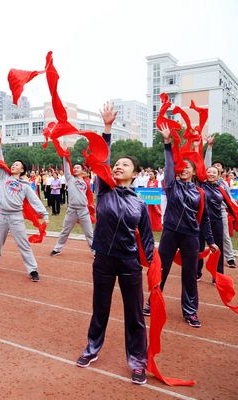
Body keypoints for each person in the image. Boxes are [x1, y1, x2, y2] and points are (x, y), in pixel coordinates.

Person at [76, 102, 153, 386]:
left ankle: (138, 361)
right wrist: (106, 129)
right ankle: (92, 348)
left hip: (130, 263)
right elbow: (102, 159)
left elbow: (147, 239)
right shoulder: (104, 188)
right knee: (100, 309)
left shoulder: (139, 204)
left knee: (134, 316)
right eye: (117, 164)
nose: (119, 166)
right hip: (103, 261)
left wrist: (152, 267)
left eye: (125, 165)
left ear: (135, 173)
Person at [144, 123, 218, 327]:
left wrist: (210, 240)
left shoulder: (200, 192)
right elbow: (169, 166)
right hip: (170, 233)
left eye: (188, 167)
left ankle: (190, 311)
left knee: (190, 275)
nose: (184, 168)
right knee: (161, 269)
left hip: (191, 236)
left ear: (194, 171)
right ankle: (152, 302)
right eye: (181, 166)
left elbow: (205, 219)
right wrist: (167, 142)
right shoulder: (171, 185)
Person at [0, 139, 49, 282]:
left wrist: (44, 214)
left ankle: (32, 269)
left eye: (17, 165)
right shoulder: (4, 176)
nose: (13, 165)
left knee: (23, 244)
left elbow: (35, 200)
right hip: (2, 216)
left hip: (16, 217)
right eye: (13, 164)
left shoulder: (25, 185)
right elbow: (0, 160)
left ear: (22, 170)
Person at [50, 148, 94, 256]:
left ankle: (95, 251)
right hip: (72, 210)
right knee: (65, 231)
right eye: (74, 167)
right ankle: (57, 249)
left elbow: (89, 196)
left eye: (77, 167)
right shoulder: (70, 179)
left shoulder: (86, 182)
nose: (75, 169)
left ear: (82, 171)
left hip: (83, 210)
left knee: (89, 233)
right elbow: (66, 167)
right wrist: (65, 156)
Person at [204, 137, 236, 268]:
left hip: (220, 213)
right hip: (205, 214)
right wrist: (209, 147)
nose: (214, 168)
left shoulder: (223, 184)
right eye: (213, 166)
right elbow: (207, 164)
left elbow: (229, 199)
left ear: (221, 171)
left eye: (218, 166)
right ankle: (197, 267)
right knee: (201, 238)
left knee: (224, 237)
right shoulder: (204, 182)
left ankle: (229, 258)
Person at [196, 165, 226, 283]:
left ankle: (218, 275)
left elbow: (230, 202)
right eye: (209, 172)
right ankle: (197, 272)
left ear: (218, 175)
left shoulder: (221, 188)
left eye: (214, 173)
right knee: (199, 246)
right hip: (202, 221)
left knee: (218, 248)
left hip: (217, 221)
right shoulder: (200, 185)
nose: (211, 174)